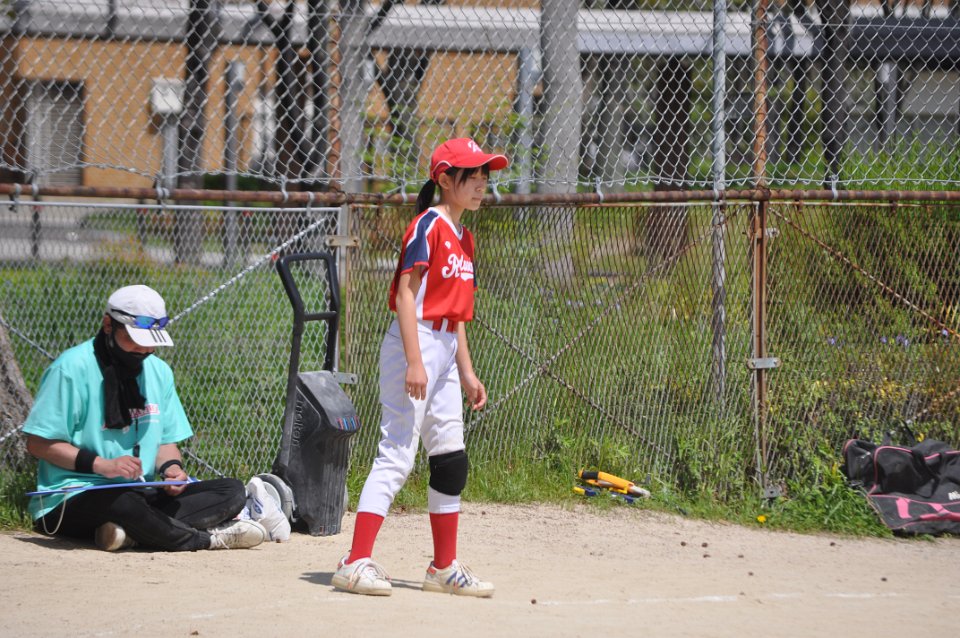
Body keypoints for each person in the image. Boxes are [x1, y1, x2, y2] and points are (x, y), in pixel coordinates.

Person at [332, 138, 508, 597]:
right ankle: (354, 561)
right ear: (445, 179)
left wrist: (466, 371)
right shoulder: (427, 225)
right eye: (472, 176)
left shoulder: (464, 237)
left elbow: (456, 315)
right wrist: (414, 360)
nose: (482, 184)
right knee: (397, 453)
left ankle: (443, 568)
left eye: (485, 176)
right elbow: (407, 295)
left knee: (451, 456)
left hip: (444, 347)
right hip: (415, 343)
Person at [23, 284, 267, 552]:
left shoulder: (159, 371)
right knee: (123, 503)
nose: (143, 349)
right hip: (74, 496)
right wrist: (103, 465)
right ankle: (207, 539)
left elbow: (165, 441)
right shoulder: (70, 368)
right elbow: (38, 444)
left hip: (141, 491)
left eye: (151, 342)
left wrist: (171, 470)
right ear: (108, 325)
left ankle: (132, 533)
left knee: (231, 490)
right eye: (134, 339)